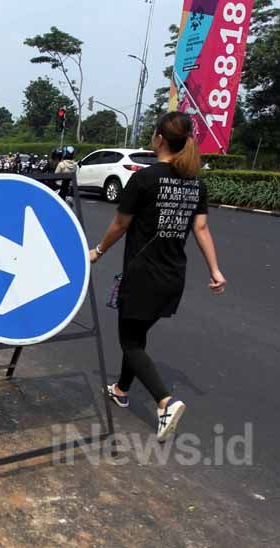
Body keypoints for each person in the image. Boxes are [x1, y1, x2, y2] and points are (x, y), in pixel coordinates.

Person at [89, 112, 226, 442]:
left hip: (142, 276)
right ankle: (122, 390)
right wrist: (215, 270)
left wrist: (98, 251)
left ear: (160, 139)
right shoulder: (195, 183)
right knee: (137, 334)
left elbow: (120, 224)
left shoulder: (145, 179)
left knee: (130, 341)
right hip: (173, 276)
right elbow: (201, 229)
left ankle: (165, 402)